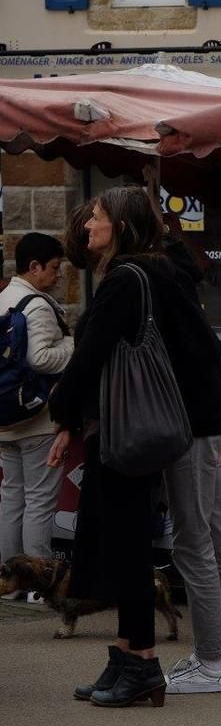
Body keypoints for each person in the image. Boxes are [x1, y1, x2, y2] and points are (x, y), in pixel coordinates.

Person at [45, 186, 221, 707]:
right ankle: (128, 657)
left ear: (123, 225)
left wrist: (63, 414)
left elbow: (89, 354)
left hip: (142, 428)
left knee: (160, 545)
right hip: (160, 423)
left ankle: (163, 662)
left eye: (98, 217)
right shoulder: (150, 273)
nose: (89, 226)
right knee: (157, 541)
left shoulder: (128, 280)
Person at [0, 232, 74, 605]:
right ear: (34, 267)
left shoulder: (2, 298)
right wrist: (73, 343)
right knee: (40, 501)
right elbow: (41, 359)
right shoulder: (37, 304)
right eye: (55, 268)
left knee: (11, 498)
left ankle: (8, 582)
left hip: (5, 418)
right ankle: (36, 584)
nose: (58, 276)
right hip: (37, 419)